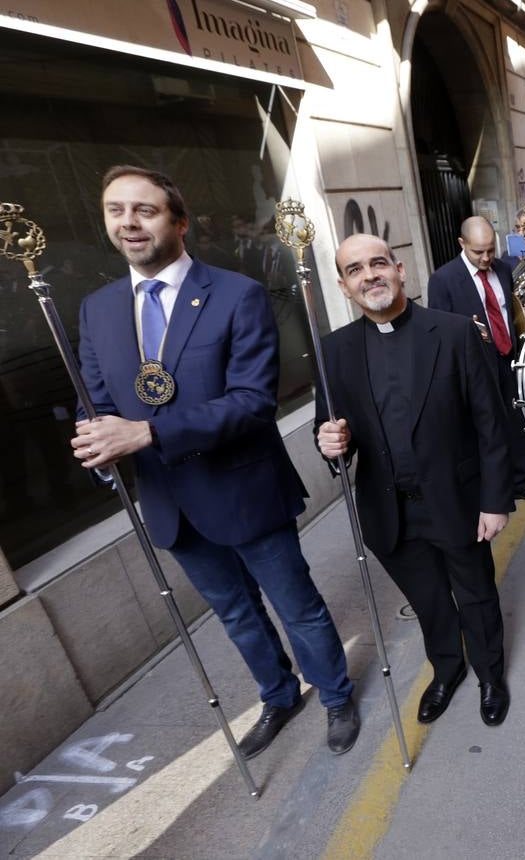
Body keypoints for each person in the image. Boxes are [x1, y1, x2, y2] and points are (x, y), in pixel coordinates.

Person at [74, 166, 358, 757]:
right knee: (234, 614)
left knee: (295, 606)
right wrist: (98, 447)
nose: (128, 222)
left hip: (243, 489)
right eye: (115, 210)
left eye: (144, 210)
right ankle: (279, 695)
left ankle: (334, 695)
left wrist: (145, 431)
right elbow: (96, 402)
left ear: (178, 221)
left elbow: (252, 403)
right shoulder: (96, 310)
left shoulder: (236, 294)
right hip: (169, 503)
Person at [315, 234, 514, 726]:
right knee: (427, 601)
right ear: (344, 286)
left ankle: (490, 674)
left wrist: (496, 499)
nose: (370, 276)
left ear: (400, 269)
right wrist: (330, 445)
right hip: (390, 508)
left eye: (378, 264)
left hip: (457, 500)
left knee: (476, 594)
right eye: (356, 270)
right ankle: (448, 670)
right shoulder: (333, 351)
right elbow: (335, 434)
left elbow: (491, 424)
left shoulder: (452, 332)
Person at [426, 216, 525, 504]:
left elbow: (508, 311)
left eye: (490, 250)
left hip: (507, 357)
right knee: (487, 428)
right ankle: (496, 489)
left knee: (516, 422)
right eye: (478, 252)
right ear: (461, 244)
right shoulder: (443, 280)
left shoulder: (503, 269)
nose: (485, 258)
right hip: (474, 367)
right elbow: (439, 333)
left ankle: (520, 481)